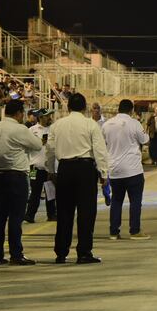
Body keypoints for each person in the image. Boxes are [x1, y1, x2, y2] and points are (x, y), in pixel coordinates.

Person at [46, 93, 109, 264]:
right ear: (85, 107)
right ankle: (83, 252)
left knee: (65, 212)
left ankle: (61, 253)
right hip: (85, 169)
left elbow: (50, 151)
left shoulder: (57, 125)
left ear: (68, 107)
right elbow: (100, 150)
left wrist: (51, 171)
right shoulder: (91, 124)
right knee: (86, 213)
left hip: (65, 169)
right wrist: (104, 174)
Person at [0, 99, 43, 265]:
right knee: (16, 216)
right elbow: (37, 145)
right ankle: (16, 254)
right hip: (15, 175)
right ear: (18, 113)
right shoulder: (19, 129)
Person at [102, 99, 151, 240]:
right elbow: (145, 140)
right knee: (135, 201)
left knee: (116, 200)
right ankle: (135, 231)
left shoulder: (107, 125)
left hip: (115, 170)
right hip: (132, 170)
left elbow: (103, 143)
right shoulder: (134, 123)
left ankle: (113, 232)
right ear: (131, 110)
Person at [25, 109, 56, 223]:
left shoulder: (52, 130)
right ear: (41, 117)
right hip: (34, 167)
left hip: (49, 168)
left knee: (50, 192)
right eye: (47, 116)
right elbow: (27, 146)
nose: (49, 118)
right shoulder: (31, 130)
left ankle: (52, 214)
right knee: (35, 192)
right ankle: (30, 215)